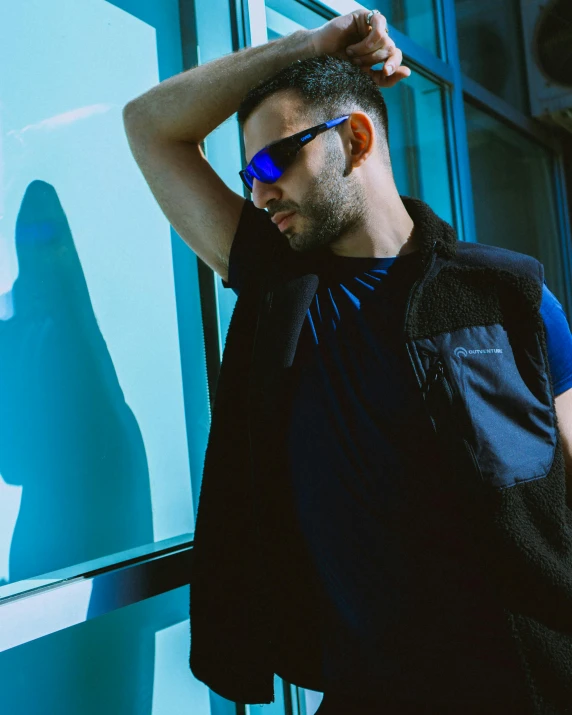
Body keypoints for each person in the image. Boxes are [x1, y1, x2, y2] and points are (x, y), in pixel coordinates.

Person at [123, 9, 572, 714]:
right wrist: (310, 44)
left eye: (274, 162)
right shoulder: (285, 293)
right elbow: (150, 126)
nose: (259, 191)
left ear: (355, 139)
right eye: (247, 176)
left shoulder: (510, 294)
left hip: (533, 683)